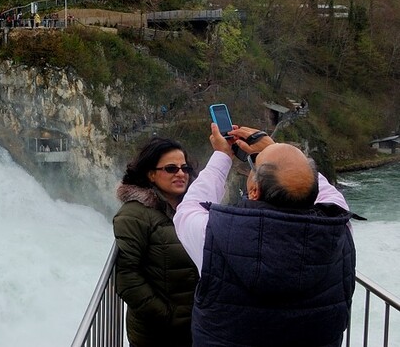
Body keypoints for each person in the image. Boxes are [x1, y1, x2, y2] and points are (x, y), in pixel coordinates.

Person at [174, 124, 356, 347]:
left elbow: (188, 208)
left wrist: (222, 156)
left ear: (254, 191)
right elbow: (330, 195)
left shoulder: (211, 235)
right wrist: (277, 150)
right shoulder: (339, 231)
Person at [113, 137, 199, 347]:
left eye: (184, 168)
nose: (181, 174)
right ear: (151, 174)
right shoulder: (135, 214)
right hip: (158, 334)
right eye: (171, 168)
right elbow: (127, 276)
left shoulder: (192, 209)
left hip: (194, 327)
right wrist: (167, 316)